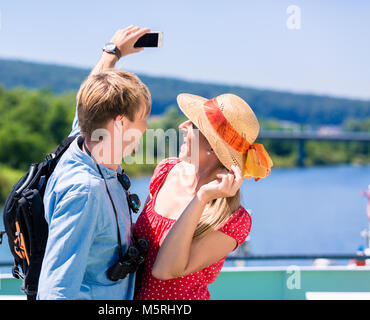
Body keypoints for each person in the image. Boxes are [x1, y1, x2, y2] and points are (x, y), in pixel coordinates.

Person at [37, 25, 151, 300]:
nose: (147, 127)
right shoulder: (85, 192)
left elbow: (85, 105)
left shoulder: (81, 140)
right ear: (121, 123)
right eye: (143, 118)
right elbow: (56, 291)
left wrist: (112, 53)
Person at [133, 93, 273, 300]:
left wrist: (201, 198)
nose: (182, 126)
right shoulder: (166, 171)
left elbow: (164, 270)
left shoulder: (233, 220)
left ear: (211, 146)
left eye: (193, 124)